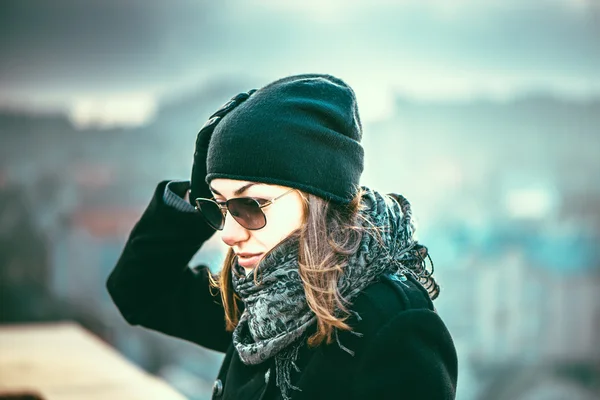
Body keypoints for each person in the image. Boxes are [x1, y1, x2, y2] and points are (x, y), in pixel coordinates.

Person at [107, 74, 458, 400]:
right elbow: (138, 291)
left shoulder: (396, 328)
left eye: (251, 204)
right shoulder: (262, 297)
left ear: (317, 199)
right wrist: (199, 182)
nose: (228, 233)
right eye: (219, 207)